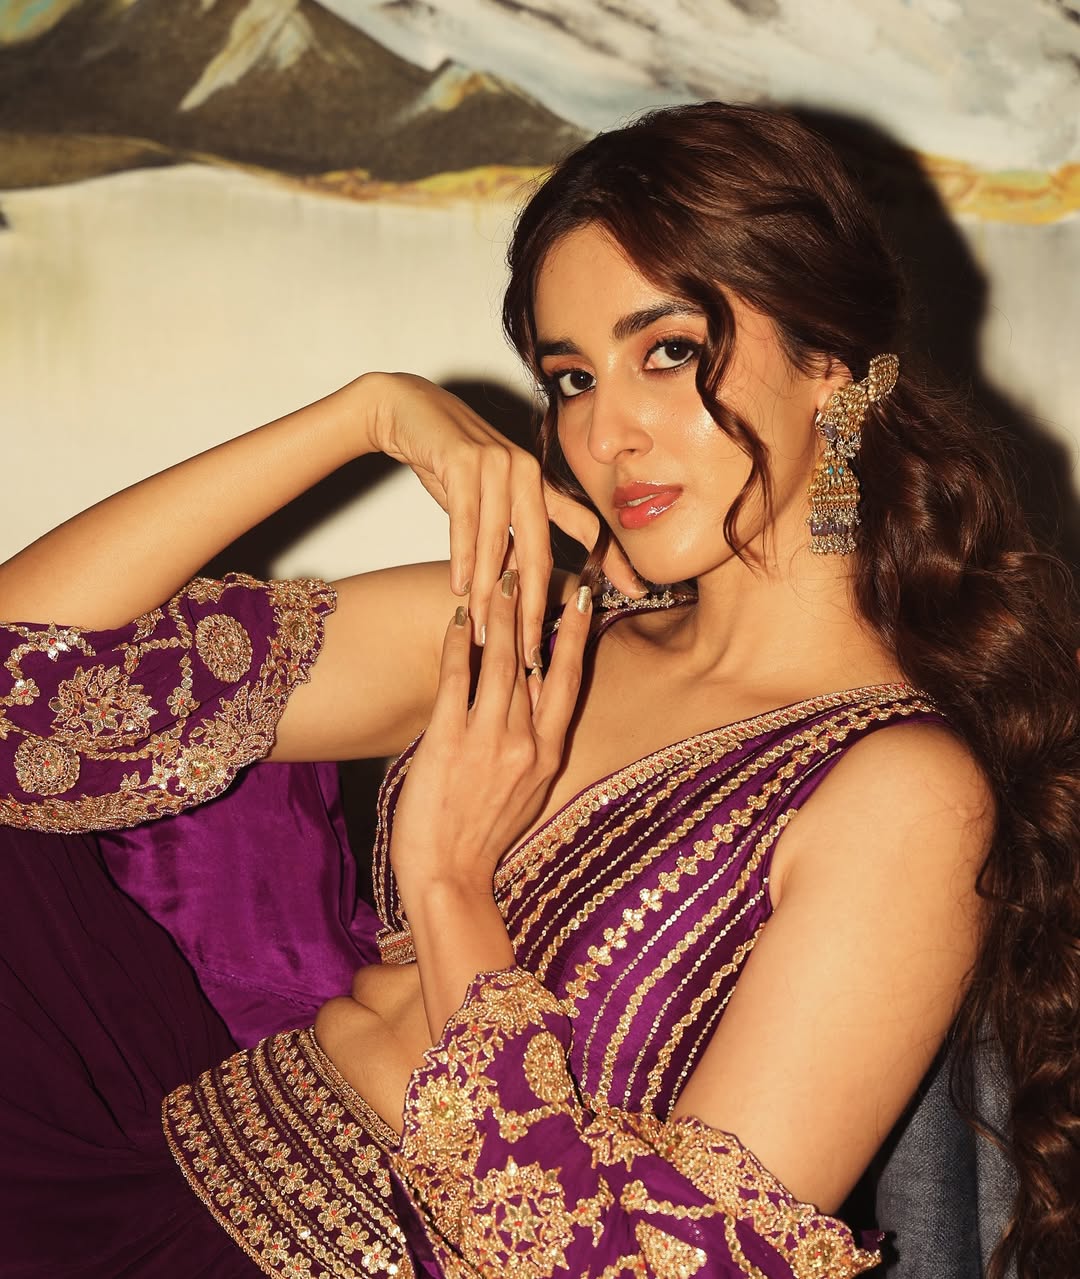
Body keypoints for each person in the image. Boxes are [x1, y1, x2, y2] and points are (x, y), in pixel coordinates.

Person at [1, 103, 1077, 1279]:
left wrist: (449, 886)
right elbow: (25, 695)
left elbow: (665, 1269)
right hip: (140, 1183)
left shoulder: (906, 792)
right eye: (571, 377)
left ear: (829, 362)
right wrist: (363, 414)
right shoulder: (524, 626)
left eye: (667, 351)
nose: (606, 432)